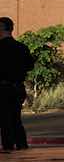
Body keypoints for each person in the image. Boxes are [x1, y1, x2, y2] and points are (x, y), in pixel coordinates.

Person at [0, 17, 33, 152]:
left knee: (4, 120)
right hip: (18, 87)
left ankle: (8, 147)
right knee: (16, 119)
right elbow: (30, 65)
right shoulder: (22, 47)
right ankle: (22, 145)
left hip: (2, 88)